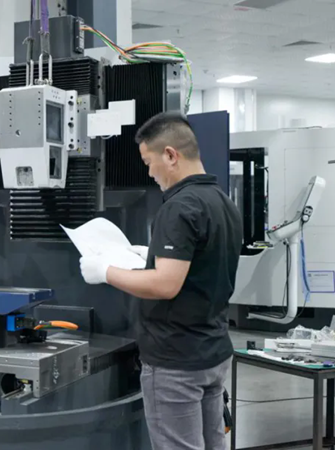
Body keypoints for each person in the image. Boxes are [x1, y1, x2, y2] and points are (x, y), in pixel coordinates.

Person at [79, 112, 242, 450]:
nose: (150, 173)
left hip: (176, 359)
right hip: (212, 351)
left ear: (170, 155)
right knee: (213, 444)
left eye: (148, 162)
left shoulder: (179, 207)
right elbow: (201, 265)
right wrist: (150, 258)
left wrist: (104, 272)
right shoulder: (222, 201)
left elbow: (166, 285)